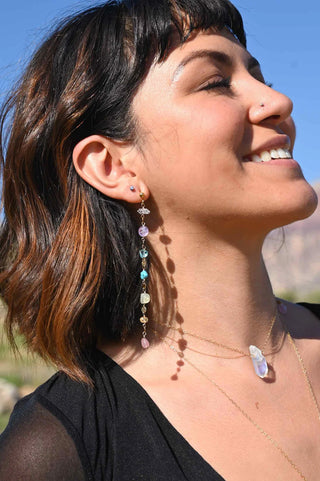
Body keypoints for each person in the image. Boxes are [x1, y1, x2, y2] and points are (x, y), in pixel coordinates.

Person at [0, 0, 319, 479]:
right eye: (215, 82)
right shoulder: (59, 448)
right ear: (113, 167)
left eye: (261, 76)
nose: (278, 102)